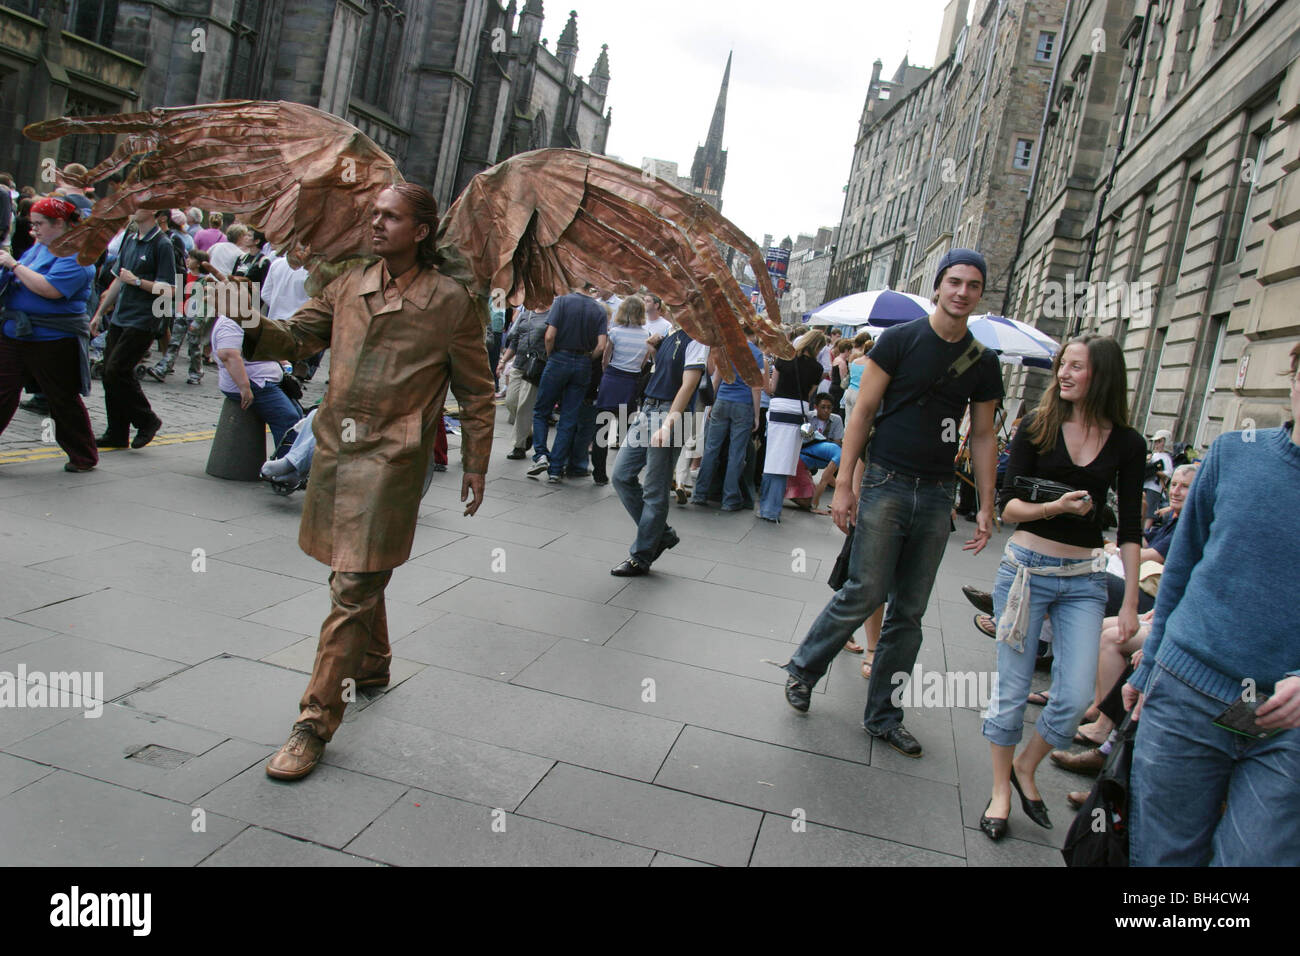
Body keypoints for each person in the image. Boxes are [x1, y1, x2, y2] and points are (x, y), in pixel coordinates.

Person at [240, 183, 496, 781]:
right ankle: (374, 661)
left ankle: (313, 723)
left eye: (391, 216)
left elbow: (478, 392)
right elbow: (296, 338)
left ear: (422, 231)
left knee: (353, 581)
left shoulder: (450, 302)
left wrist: (476, 464)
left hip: (393, 459)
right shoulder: (349, 282)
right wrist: (245, 318)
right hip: (335, 448)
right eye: (375, 214)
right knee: (351, 570)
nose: (375, 224)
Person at [780, 248, 1003, 761]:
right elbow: (861, 413)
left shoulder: (983, 362)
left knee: (911, 612)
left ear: (979, 293)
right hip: (886, 480)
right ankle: (804, 668)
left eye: (972, 284)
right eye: (954, 281)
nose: (962, 291)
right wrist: (843, 485)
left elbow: (986, 435)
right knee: (865, 590)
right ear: (938, 286)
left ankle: (883, 715)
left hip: (937, 492)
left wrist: (986, 503)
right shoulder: (900, 341)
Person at [1120, 343, 1300, 864]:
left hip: (1285, 723)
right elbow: (1181, 567)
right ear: (1292, 378)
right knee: (1164, 856)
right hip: (1191, 689)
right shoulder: (1235, 453)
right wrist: (1148, 669)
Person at [978, 334, 1145, 841]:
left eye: (1077, 366)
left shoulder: (1128, 443)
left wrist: (1132, 601)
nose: (1064, 373)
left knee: (1073, 698)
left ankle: (1026, 766)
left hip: (1085, 580)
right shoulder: (1036, 425)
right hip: (1026, 570)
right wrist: (1055, 508)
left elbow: (1132, 528)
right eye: (1062, 364)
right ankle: (1001, 791)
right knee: (1011, 692)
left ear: (1104, 375)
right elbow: (1008, 507)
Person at [0, 196, 98, 472]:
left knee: (62, 398)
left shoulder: (78, 255)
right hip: (16, 332)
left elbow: (50, 290)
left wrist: (14, 265)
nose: (35, 230)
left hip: (53, 339)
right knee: (2, 391)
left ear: (60, 224)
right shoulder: (40, 246)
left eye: (40, 224)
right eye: (33, 224)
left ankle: (84, 455)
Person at [609, 321, 708, 575]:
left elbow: (689, 384)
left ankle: (641, 556)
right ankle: (660, 534)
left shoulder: (696, 337)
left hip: (669, 414)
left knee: (655, 488)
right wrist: (655, 350)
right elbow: (666, 373)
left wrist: (668, 424)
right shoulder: (670, 332)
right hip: (650, 408)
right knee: (621, 475)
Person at [89, 207, 172, 449]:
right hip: (120, 317)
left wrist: (136, 281)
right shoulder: (131, 238)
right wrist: (100, 312)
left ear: (155, 211)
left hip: (143, 319)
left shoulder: (162, 244)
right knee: (108, 372)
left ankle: (147, 420)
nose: (133, 208)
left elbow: (168, 289)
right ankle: (116, 432)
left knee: (117, 370)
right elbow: (118, 279)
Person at [528, 284, 607, 483]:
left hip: (558, 358)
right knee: (568, 418)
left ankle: (541, 455)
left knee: (541, 410)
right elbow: (601, 346)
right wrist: (588, 358)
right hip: (582, 363)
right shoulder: (599, 309)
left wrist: (551, 356)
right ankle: (555, 469)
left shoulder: (562, 301)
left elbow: (549, 336)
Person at [691, 325, 762, 511]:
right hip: (743, 405)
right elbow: (756, 387)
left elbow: (716, 380)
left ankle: (700, 493)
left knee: (711, 449)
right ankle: (729, 499)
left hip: (722, 400)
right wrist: (757, 415)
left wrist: (710, 405)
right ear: (753, 335)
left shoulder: (726, 349)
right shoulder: (756, 354)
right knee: (736, 454)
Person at [757, 329, 825, 521]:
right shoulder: (817, 369)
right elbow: (809, 395)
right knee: (786, 461)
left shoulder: (783, 359)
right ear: (818, 347)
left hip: (778, 410)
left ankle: (766, 507)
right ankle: (772, 508)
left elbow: (770, 388)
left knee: (772, 458)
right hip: (797, 413)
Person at [210, 310, 300, 447]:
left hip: (264, 380)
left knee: (298, 417)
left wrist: (282, 361)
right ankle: (286, 464)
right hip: (256, 383)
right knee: (288, 419)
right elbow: (228, 355)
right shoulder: (230, 322)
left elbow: (263, 344)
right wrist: (244, 387)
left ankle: (292, 460)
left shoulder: (246, 316)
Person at [592, 295, 650, 483]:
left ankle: (599, 473)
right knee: (626, 431)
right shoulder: (646, 335)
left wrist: (607, 373)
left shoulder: (615, 332)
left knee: (602, 430)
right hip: (630, 383)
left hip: (611, 380)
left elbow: (605, 359)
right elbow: (643, 364)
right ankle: (624, 473)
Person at [500, 304, 550, 460]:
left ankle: (518, 446)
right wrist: (503, 361)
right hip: (519, 364)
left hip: (535, 367)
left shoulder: (553, 314)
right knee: (511, 401)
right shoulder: (525, 314)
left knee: (524, 406)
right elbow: (514, 341)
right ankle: (528, 433)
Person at [1142, 429, 1173, 529]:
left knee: (1150, 510)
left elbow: (1168, 473)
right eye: (1156, 442)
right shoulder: (1153, 455)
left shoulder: (1166, 457)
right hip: (1146, 484)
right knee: (1141, 507)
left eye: (1159, 441)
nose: (1156, 444)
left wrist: (1156, 471)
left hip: (1155, 487)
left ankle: (1146, 530)